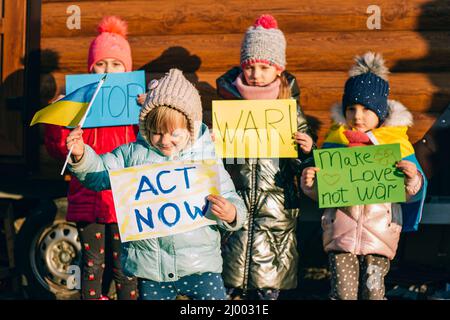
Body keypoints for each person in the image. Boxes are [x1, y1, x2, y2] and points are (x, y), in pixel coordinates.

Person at [65, 68, 247, 300]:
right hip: (152, 271)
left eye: (174, 134)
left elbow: (233, 200)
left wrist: (231, 213)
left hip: (202, 266)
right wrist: (81, 156)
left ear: (190, 128)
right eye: (156, 133)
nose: (164, 141)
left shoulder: (205, 158)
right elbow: (99, 175)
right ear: (146, 127)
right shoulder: (132, 154)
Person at [300, 52, 427, 300]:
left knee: (374, 292)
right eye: (352, 108)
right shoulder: (335, 144)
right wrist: (310, 185)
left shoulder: (397, 146)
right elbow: (324, 191)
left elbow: (412, 192)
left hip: (380, 234)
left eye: (367, 109)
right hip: (340, 234)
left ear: (381, 112)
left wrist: (412, 178)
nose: (358, 116)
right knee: (342, 294)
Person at [216, 14, 316, 300]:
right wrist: (212, 146)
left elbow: (303, 165)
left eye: (264, 67)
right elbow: (220, 161)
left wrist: (306, 150)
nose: (256, 74)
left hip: (277, 207)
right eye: (250, 67)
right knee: (229, 280)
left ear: (278, 69)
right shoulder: (229, 103)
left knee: (268, 286)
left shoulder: (289, 106)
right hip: (236, 201)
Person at [44, 16, 138, 300]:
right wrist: (57, 121)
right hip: (89, 200)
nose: (107, 70)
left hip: (126, 202)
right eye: (101, 64)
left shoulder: (134, 106)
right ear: (90, 67)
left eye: (116, 64)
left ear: (127, 70)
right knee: (91, 266)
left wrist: (149, 109)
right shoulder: (79, 106)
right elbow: (59, 150)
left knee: (126, 268)